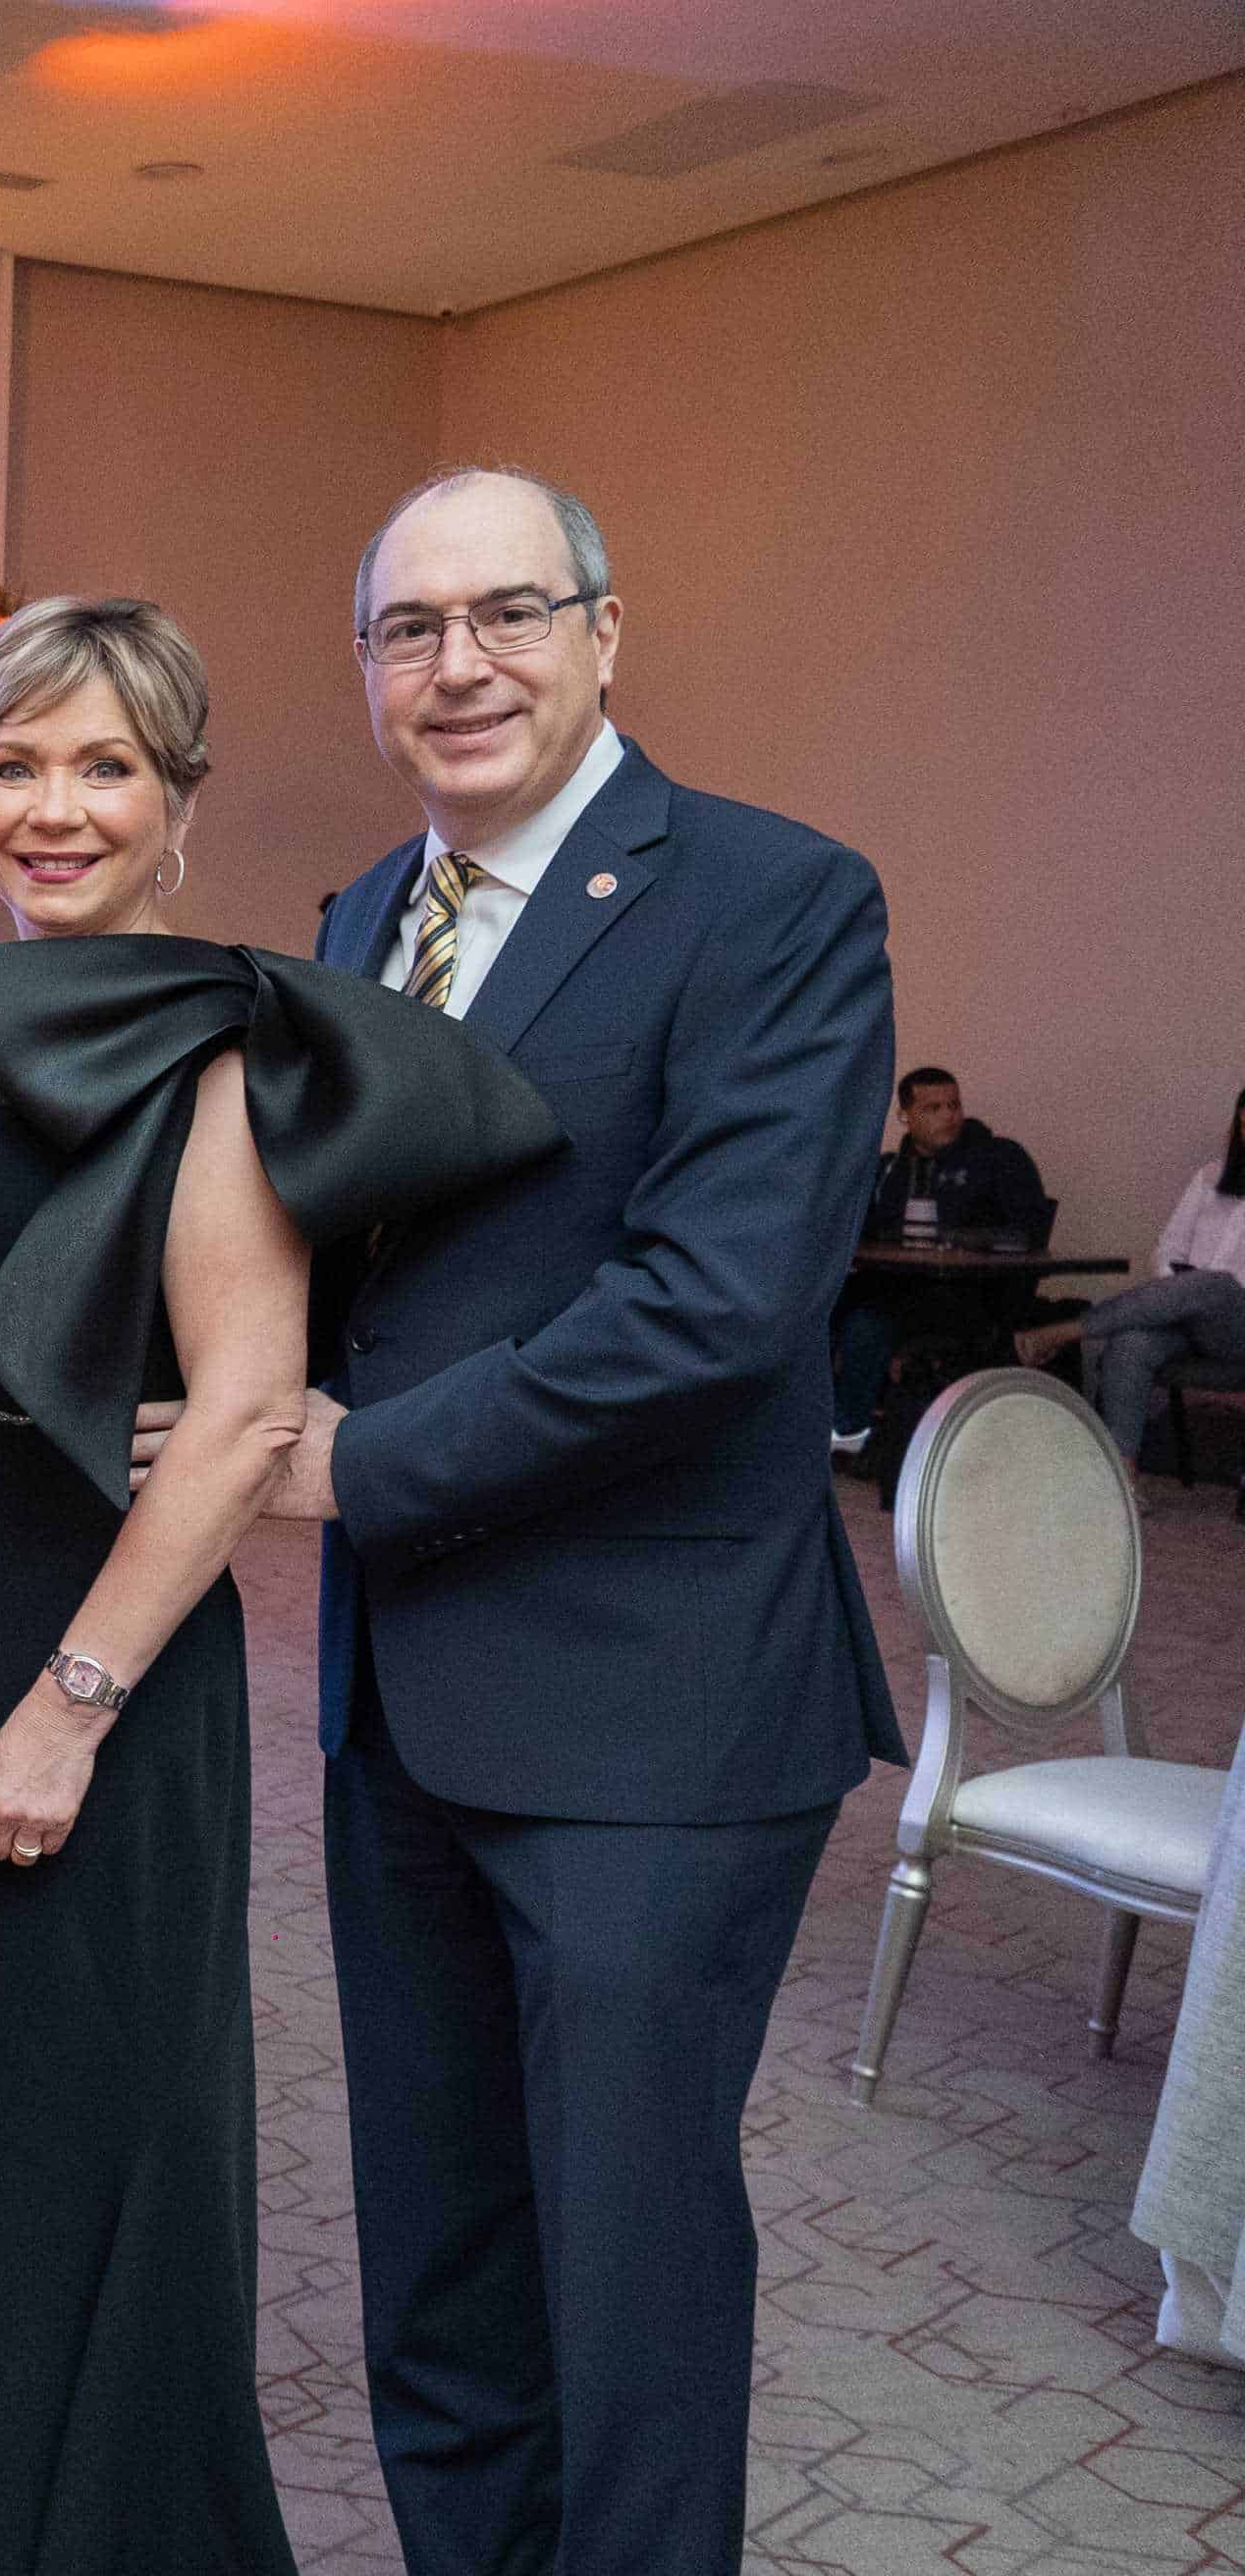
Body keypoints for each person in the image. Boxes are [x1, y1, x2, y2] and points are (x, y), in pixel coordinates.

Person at [0, 602, 558, 2576]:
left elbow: (244, 1405)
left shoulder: (208, 1045)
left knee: (46, 2132)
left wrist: (70, 1702)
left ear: (177, 801)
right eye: (14, 763)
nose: (53, 805)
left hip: (68, 1667)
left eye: (105, 764)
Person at [284, 467, 902, 2575]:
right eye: (408, 628)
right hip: (406, 1709)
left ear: (607, 634)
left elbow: (716, 1310)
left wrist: (357, 1464)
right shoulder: (362, 919)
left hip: (657, 1713)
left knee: (626, 2288)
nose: (458, 666)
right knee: (443, 2268)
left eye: (509, 614)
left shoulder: (774, 897)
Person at [1016, 1084, 1245, 1459]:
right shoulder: (1211, 1177)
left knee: (1214, 1285)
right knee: (1130, 1344)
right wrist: (1179, 1292)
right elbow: (1167, 1248)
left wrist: (1198, 1288)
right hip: (1185, 1320)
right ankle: (1124, 1478)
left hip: (1237, 1330)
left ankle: (1068, 1330)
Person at [830, 1065, 1051, 1452]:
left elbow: (1027, 1233)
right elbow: (857, 1227)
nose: (948, 1115)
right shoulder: (888, 1170)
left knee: (868, 1325)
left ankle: (849, 1434)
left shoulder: (998, 1159)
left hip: (968, 1295)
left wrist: (957, 1240)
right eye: (933, 1108)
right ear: (905, 1116)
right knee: (809, 1311)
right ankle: (796, 1426)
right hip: (897, 1284)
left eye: (953, 1105)